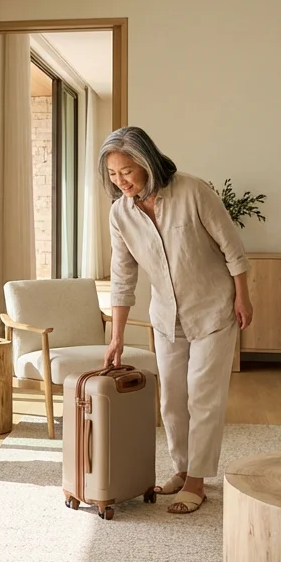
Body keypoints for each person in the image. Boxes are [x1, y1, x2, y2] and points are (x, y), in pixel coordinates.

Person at [100, 126, 251, 514]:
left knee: (203, 396)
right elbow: (123, 277)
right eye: (114, 175)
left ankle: (198, 481)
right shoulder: (120, 214)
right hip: (166, 318)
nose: (122, 182)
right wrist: (116, 337)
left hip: (214, 309)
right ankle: (182, 470)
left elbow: (231, 247)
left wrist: (243, 297)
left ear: (146, 161)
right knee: (171, 399)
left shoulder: (192, 191)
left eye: (127, 172)